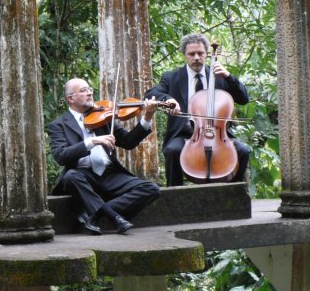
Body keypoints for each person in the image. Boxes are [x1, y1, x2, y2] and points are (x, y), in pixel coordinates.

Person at [47, 78, 162, 235]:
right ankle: (114, 217)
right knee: (71, 176)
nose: (89, 92)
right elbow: (61, 156)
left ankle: (94, 215)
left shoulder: (103, 116)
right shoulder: (58, 125)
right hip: (82, 175)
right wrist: (92, 141)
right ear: (70, 98)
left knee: (151, 189)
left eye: (89, 89)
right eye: (83, 90)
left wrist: (147, 117)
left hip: (109, 174)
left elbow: (128, 142)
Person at [144, 33, 250, 187]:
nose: (196, 57)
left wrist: (229, 77)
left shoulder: (219, 77)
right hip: (184, 134)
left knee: (243, 150)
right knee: (172, 151)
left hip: (218, 135)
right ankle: (175, 197)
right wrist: (168, 100)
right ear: (185, 55)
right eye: (191, 54)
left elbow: (243, 99)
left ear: (207, 54)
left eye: (200, 53)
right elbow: (150, 94)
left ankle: (234, 194)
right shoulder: (172, 77)